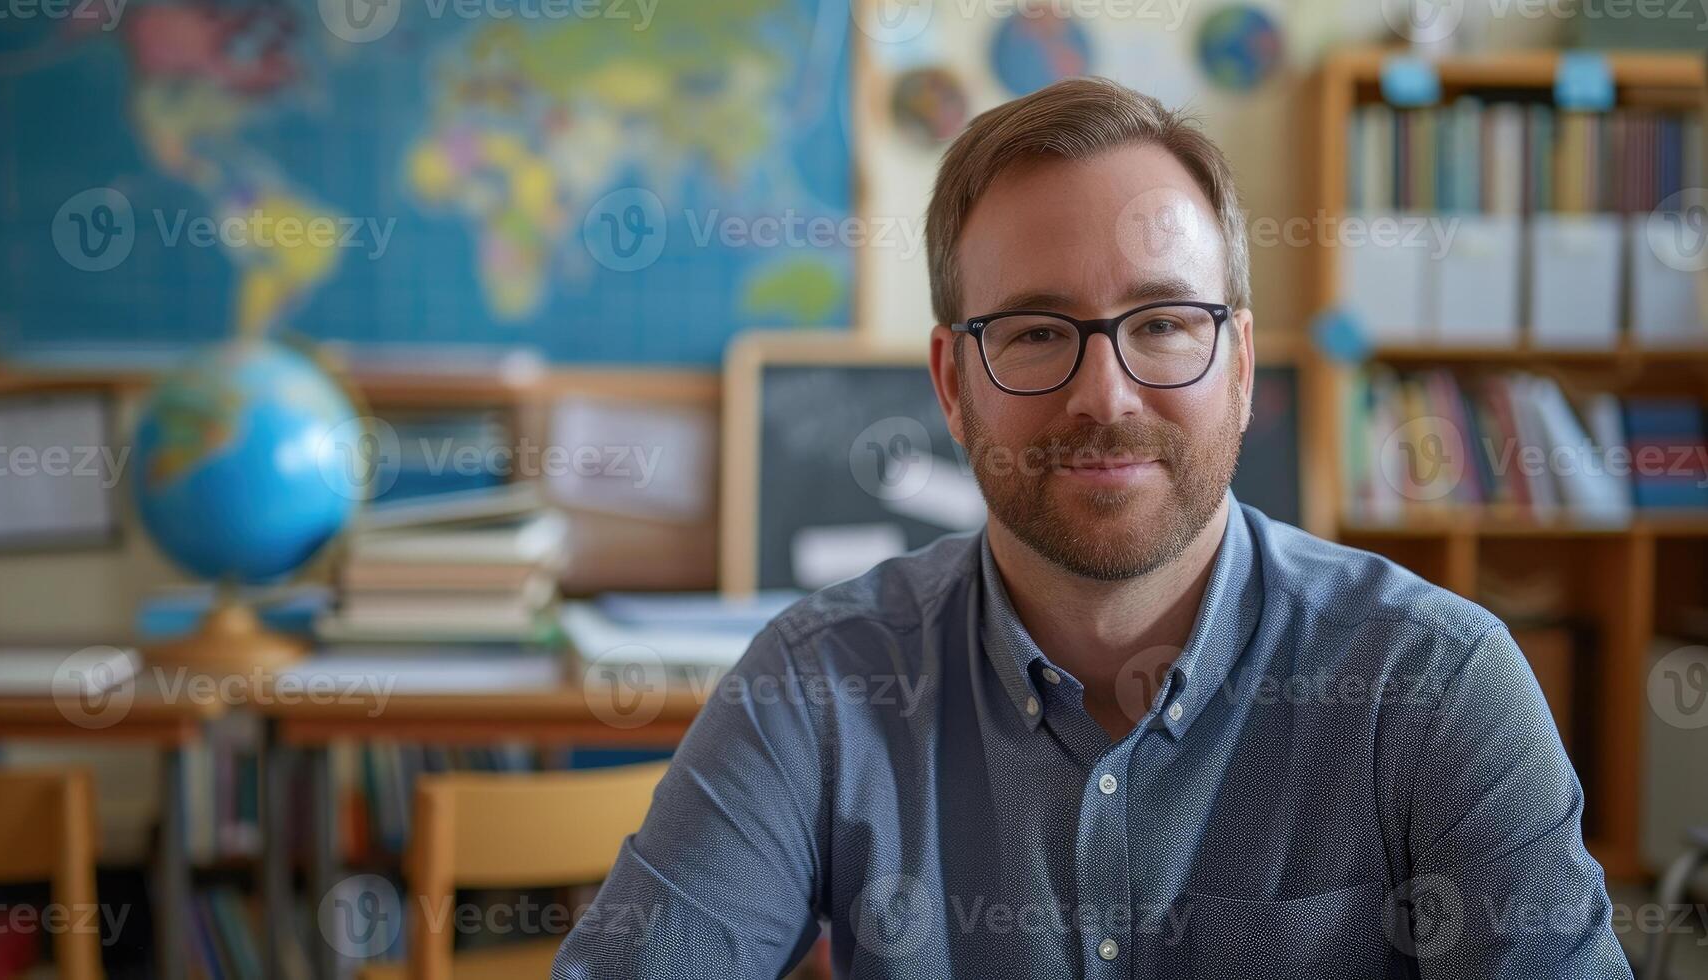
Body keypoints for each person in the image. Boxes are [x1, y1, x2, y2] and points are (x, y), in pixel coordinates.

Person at [554, 77, 1629, 978]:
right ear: (952, 380)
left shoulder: (1433, 686)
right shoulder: (820, 686)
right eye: (1034, 330)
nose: (1105, 394)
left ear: (1242, 363)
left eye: (1163, 322)